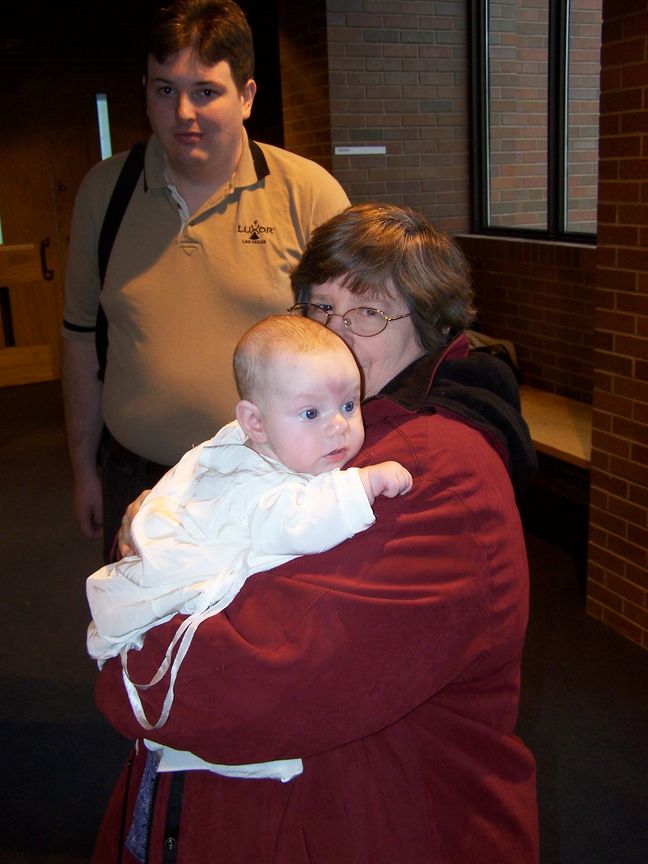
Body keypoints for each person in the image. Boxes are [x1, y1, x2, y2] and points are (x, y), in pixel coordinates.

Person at [92, 203, 539, 864]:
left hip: (380, 820)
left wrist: (125, 655)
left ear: (430, 326)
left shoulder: (428, 474)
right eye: (321, 307)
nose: (335, 333)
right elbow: (189, 510)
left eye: (368, 312)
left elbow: (255, 687)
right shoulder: (326, 428)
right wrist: (152, 535)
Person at [61, 0, 350, 562]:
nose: (183, 112)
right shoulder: (104, 193)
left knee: (258, 621)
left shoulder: (309, 194)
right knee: (140, 616)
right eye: (165, 90)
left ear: (246, 96)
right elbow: (79, 341)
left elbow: (354, 345)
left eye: (206, 91)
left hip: (270, 485)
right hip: (136, 479)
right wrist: (83, 469)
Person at [86, 314, 412, 739]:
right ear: (255, 423)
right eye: (311, 412)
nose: (339, 425)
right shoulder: (248, 482)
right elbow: (295, 521)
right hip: (174, 615)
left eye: (349, 405)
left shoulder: (275, 446)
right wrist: (363, 484)